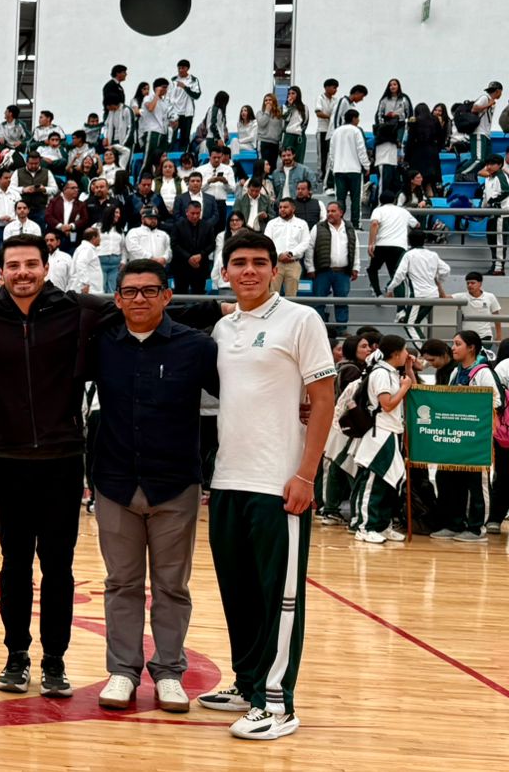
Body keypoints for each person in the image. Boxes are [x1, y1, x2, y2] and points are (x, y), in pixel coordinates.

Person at [198, 231, 335, 741]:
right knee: (239, 593)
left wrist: (306, 474)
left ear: (276, 270)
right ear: (225, 272)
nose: (250, 270)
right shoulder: (223, 327)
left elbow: (323, 399)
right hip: (228, 479)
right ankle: (248, 683)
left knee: (281, 599)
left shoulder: (301, 320)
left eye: (260, 262)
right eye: (239, 262)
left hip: (279, 483)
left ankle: (277, 704)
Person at [90, 259, 219, 713]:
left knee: (172, 586)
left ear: (167, 296)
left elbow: (240, 395)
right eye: (130, 291)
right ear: (117, 299)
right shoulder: (101, 345)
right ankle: (123, 671)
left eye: (150, 290)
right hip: (115, 483)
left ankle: (168, 672)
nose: (139, 298)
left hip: (175, 484)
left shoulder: (197, 347)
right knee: (121, 583)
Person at [430, 332, 499, 543]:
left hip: (477, 439)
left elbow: (496, 402)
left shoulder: (483, 372)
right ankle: (454, 523)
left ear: (471, 348)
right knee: (450, 480)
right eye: (453, 343)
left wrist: (468, 396)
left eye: (457, 344)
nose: (453, 347)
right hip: (456, 437)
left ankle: (477, 528)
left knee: (476, 484)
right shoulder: (456, 372)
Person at [347, 335, 415, 544]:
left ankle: (382, 525)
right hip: (380, 433)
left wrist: (409, 370)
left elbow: (411, 388)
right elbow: (387, 404)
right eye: (405, 350)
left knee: (390, 483)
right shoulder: (380, 373)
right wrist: (404, 388)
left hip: (392, 432)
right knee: (374, 482)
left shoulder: (393, 372)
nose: (407, 354)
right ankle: (364, 527)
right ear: (395, 353)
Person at [304, 201, 360, 335]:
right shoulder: (318, 227)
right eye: (328, 211)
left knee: (341, 302)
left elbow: (355, 247)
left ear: (341, 212)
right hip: (322, 271)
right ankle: (320, 330)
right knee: (319, 302)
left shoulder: (349, 228)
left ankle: (342, 329)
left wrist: (356, 267)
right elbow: (310, 248)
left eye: (333, 211)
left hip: (343, 272)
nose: (329, 213)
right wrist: (310, 267)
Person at [385, 230, 449, 342]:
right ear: (424, 240)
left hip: (418, 295)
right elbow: (446, 269)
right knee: (415, 323)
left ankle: (425, 350)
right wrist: (438, 280)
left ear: (409, 241)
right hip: (433, 295)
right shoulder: (433, 254)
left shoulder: (409, 255)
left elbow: (399, 275)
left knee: (409, 325)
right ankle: (426, 348)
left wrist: (390, 289)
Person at [327, 109, 371, 226]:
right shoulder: (356, 131)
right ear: (354, 118)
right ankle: (355, 224)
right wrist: (366, 166)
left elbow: (331, 153)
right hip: (354, 170)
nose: (358, 120)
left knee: (340, 199)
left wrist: (333, 167)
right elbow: (361, 150)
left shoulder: (336, 132)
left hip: (339, 170)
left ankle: (339, 223)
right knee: (355, 199)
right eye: (358, 118)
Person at [263, 198, 310, 297]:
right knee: (272, 296)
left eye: (285, 207)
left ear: (293, 209)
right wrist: (279, 254)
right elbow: (267, 242)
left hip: (294, 264)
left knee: (292, 296)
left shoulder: (302, 224)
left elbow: (305, 242)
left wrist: (291, 253)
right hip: (276, 263)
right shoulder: (272, 223)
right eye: (280, 207)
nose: (282, 209)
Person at [462, 272, 503, 348]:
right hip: (467, 337)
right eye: (468, 283)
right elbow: (444, 297)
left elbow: (497, 317)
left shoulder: (490, 296)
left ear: (480, 284)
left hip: (485, 336)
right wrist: (439, 284)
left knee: (482, 355)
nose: (469, 285)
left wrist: (499, 336)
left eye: (472, 283)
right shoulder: (461, 296)